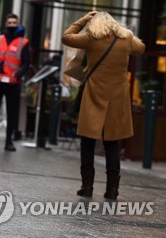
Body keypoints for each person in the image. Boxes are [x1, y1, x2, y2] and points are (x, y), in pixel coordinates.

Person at [61, 11, 145, 200]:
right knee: (112, 142)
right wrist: (125, 32)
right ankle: (112, 189)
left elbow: (66, 37)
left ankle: (87, 186)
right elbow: (141, 47)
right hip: (117, 98)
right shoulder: (126, 40)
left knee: (88, 141)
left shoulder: (91, 38)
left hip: (94, 95)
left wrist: (83, 19)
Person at [0, 13, 30, 151]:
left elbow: (26, 63)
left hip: (13, 83)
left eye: (14, 23)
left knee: (12, 112)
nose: (12, 25)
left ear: (18, 24)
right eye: (9, 23)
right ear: (5, 24)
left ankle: (9, 141)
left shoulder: (24, 42)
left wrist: (18, 74)